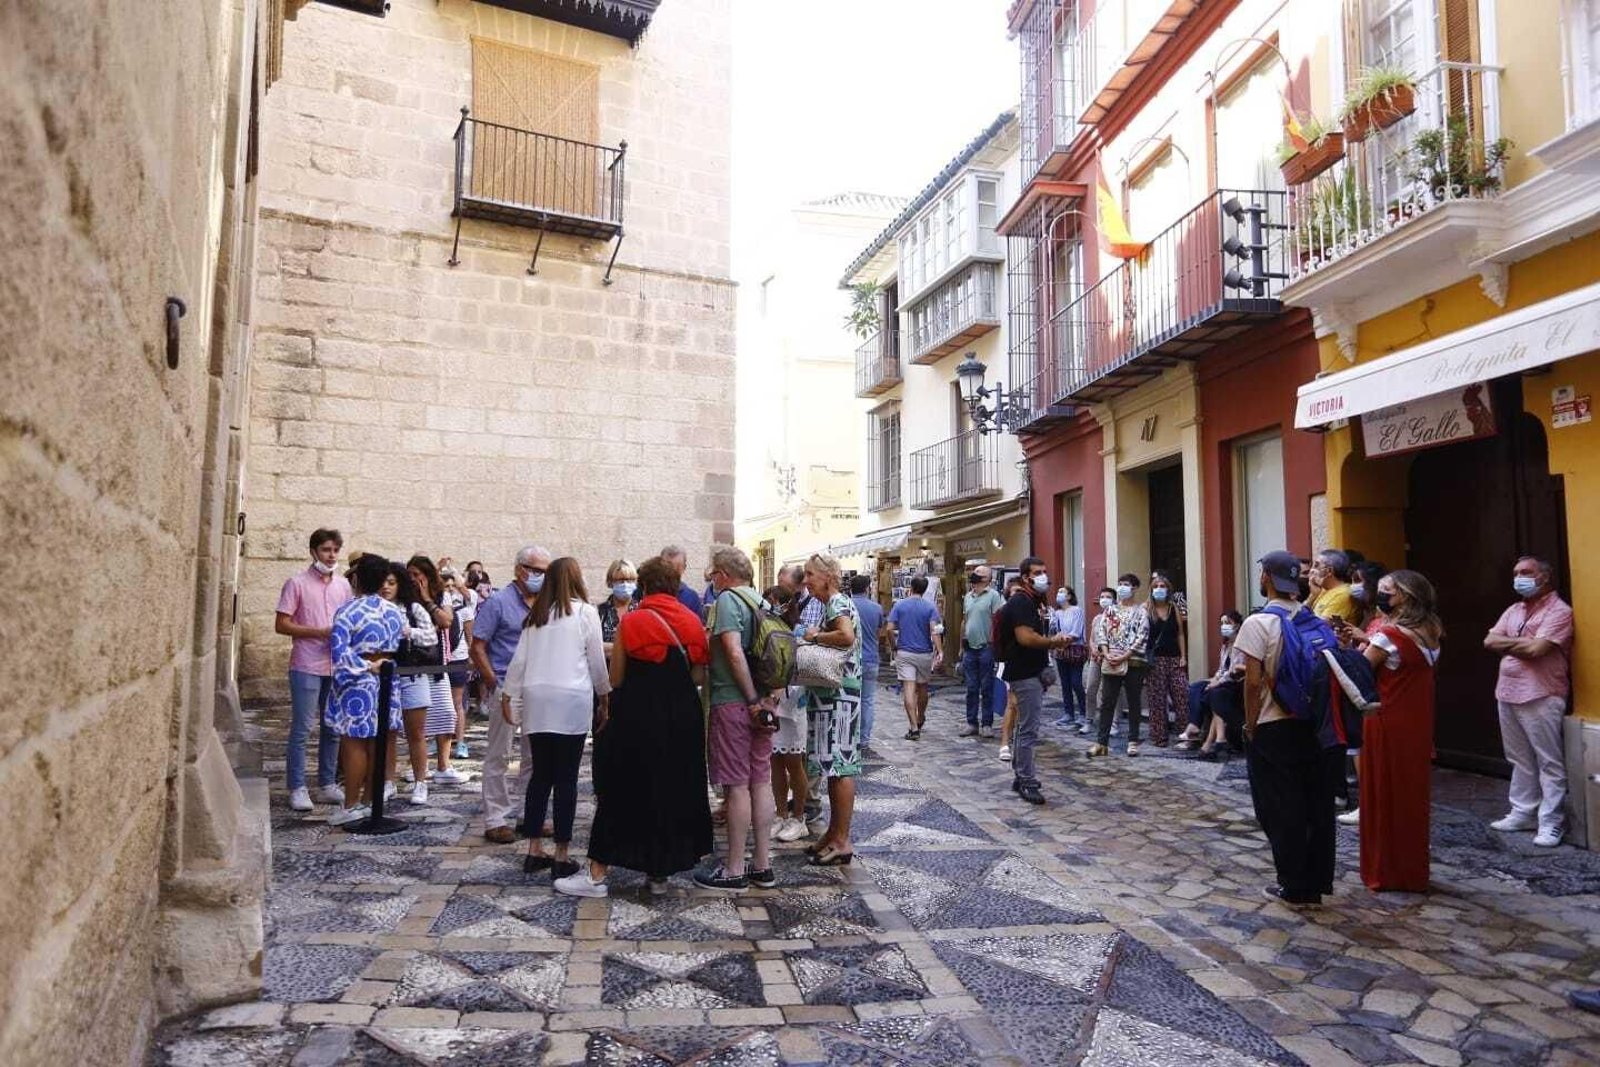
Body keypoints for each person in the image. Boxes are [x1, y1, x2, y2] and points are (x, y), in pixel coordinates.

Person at [556, 557, 714, 897]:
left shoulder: (634, 620)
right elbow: (699, 675)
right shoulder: (691, 620)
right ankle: (659, 873)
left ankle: (597, 874)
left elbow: (616, 677)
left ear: (644, 584)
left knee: (621, 789)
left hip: (638, 718)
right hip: (683, 717)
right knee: (672, 791)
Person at [500, 557, 610, 880]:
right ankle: (562, 853)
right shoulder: (585, 613)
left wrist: (510, 695)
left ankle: (534, 848)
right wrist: (605, 696)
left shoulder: (536, 615)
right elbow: (595, 660)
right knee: (566, 778)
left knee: (539, 776)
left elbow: (518, 661)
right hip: (570, 701)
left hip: (537, 701)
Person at [1237, 551, 1336, 907]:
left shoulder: (1258, 623)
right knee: (1314, 804)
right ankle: (1316, 881)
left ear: (1266, 579)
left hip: (1272, 722)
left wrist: (1249, 725)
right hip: (1313, 724)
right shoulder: (1315, 620)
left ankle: (1292, 883)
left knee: (1279, 806)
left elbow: (1251, 682)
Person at [697, 546, 779, 891]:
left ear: (724, 574)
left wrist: (749, 700)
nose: (711, 580)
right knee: (760, 781)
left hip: (735, 703)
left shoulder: (729, 602)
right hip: (765, 705)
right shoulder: (762, 602)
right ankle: (762, 864)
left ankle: (733, 869)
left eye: (712, 574)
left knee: (736, 786)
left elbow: (731, 650)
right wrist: (766, 700)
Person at [1358, 569, 1443, 892]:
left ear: (1405, 596)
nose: (1382, 596)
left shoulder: (1389, 636)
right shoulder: (1433, 629)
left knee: (1383, 794)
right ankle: (1410, 869)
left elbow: (1362, 670)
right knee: (1411, 796)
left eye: (1387, 591)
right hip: (1418, 721)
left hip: (1386, 718)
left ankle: (1383, 870)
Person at [1485, 555, 1575, 848]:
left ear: (1544, 576)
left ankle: (1551, 822)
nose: (1519, 577)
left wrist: (1511, 644)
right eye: (1516, 572)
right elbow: (1489, 641)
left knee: (1548, 760)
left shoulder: (1559, 611)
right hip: (1507, 691)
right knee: (1519, 758)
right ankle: (1523, 812)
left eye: (1526, 572)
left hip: (1542, 692)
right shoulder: (1514, 609)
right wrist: (1523, 644)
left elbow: (1539, 649)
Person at [470, 545, 551, 844]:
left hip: (538, 687)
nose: (542, 576)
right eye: (537, 570)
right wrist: (493, 683)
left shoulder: (547, 603)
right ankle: (495, 818)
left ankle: (529, 813)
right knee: (499, 754)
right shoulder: (498, 602)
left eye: (546, 571)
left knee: (534, 757)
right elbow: (477, 647)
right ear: (520, 569)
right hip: (505, 685)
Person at [276, 528, 354, 812]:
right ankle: (297, 787)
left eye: (335, 550)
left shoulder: (343, 586)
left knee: (332, 727)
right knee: (302, 728)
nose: (331, 556)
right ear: (313, 551)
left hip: (336, 665)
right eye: (325, 550)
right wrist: (318, 632)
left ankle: (327, 784)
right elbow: (281, 624)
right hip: (306, 664)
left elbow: (348, 620)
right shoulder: (295, 584)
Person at [324, 553, 406, 827]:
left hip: (358, 682)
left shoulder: (347, 611)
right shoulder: (394, 611)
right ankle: (370, 802)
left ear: (357, 578)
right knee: (378, 743)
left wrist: (364, 666)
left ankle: (350, 805)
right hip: (388, 680)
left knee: (354, 744)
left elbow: (338, 652)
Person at [799, 553, 862, 863]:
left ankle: (841, 839)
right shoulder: (836, 603)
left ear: (827, 576)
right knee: (835, 767)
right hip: (838, 698)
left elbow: (846, 636)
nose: (806, 580)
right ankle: (834, 834)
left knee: (839, 768)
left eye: (810, 574)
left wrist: (815, 635)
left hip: (838, 699)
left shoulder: (837, 603)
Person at [999, 558, 1068, 804]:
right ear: (1025, 577)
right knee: (1029, 729)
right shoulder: (1021, 603)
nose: (1043, 577)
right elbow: (1026, 638)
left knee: (1024, 727)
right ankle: (1027, 781)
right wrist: (1054, 642)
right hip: (1024, 672)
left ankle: (1021, 775)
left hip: (1031, 671)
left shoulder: (1034, 601)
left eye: (1045, 572)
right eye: (1038, 573)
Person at [407, 555, 463, 790]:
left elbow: (446, 620)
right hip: (412, 665)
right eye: (409, 575)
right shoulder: (405, 599)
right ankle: (418, 767)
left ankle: (443, 764)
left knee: (446, 714)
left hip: (437, 663)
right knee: (415, 722)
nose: (413, 580)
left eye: (416, 575)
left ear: (427, 575)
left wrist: (428, 599)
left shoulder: (442, 596)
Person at [764, 585, 810, 844]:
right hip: (773, 701)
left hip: (793, 702)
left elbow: (804, 666)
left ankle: (798, 817)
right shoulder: (765, 629)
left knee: (794, 762)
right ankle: (780, 814)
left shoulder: (799, 631)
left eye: (773, 602)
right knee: (775, 762)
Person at [1087, 574, 1150, 758]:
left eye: (1127, 585)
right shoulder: (1110, 611)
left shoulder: (1141, 611)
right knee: (1107, 701)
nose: (1123, 588)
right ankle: (1101, 742)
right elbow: (1101, 632)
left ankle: (1133, 741)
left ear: (1135, 588)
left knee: (1133, 701)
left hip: (1134, 662)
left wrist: (1125, 655)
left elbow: (1142, 636)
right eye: (1120, 584)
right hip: (1111, 660)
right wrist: (1106, 653)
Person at [887, 576, 940, 740]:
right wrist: (940, 650)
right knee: (923, 688)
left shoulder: (900, 605)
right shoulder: (930, 607)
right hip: (924, 652)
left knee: (909, 689)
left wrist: (894, 645)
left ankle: (913, 727)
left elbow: (889, 628)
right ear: (925, 590)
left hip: (905, 652)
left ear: (910, 587)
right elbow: (935, 631)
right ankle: (921, 716)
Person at [1143, 571, 1190, 748]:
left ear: (1168, 589)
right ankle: (1159, 736)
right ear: (1151, 589)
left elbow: (1180, 633)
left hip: (1174, 659)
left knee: (1182, 694)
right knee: (1157, 699)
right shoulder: (1146, 609)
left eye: (1162, 586)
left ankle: (1185, 733)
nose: (1159, 589)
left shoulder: (1173, 608)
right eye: (1156, 586)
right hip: (1155, 660)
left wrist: (1183, 656)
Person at [1190, 611, 1244, 760]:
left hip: (1235, 685)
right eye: (1222, 623)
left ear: (1237, 625)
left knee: (1214, 694)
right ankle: (1195, 725)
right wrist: (1213, 680)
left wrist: (1216, 682)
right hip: (1222, 682)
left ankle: (1211, 742)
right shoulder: (1225, 646)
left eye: (1228, 623)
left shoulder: (1241, 644)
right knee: (1196, 687)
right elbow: (1221, 669)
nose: (1224, 626)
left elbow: (1234, 670)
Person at [960, 565, 1004, 738]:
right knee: (971, 687)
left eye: (980, 573)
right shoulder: (968, 597)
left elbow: (998, 622)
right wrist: (960, 645)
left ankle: (987, 724)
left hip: (986, 647)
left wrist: (994, 644)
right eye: (975, 572)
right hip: (969, 647)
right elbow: (965, 620)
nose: (975, 575)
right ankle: (971, 722)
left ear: (988, 579)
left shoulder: (993, 596)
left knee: (987, 687)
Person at [438, 566, 474, 762]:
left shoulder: (465, 611)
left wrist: (470, 658)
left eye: (453, 585)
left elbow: (470, 637)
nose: (450, 588)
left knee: (457, 703)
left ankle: (460, 742)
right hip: (440, 660)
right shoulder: (437, 608)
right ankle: (440, 739)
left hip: (458, 658)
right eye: (446, 585)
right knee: (440, 703)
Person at [849, 575, 885, 750]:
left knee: (848, 699)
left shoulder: (845, 605)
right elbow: (879, 631)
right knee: (868, 700)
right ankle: (864, 739)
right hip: (871, 658)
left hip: (849, 659)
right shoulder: (877, 608)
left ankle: (848, 736)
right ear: (867, 588)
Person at [1050, 587, 1087, 727]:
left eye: (1062, 592)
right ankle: (1068, 713)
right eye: (1058, 592)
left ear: (1070, 596)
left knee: (1076, 682)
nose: (1059, 595)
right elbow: (1053, 630)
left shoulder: (1077, 610)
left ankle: (1084, 713)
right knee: (1064, 683)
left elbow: (1076, 632)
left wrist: (1063, 642)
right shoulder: (1057, 612)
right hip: (1060, 650)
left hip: (1075, 650)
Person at [1308, 549, 1362, 628]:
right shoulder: (1323, 590)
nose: (1312, 570)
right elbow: (1299, 616)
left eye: (1316, 565)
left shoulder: (1343, 594)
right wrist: (1312, 596)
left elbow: (1320, 626)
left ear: (1329, 571)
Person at [657, 544, 704, 617]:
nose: (671, 572)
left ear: (684, 568)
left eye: (677, 567)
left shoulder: (691, 597)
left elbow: (698, 625)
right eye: (667, 567)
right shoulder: (650, 592)